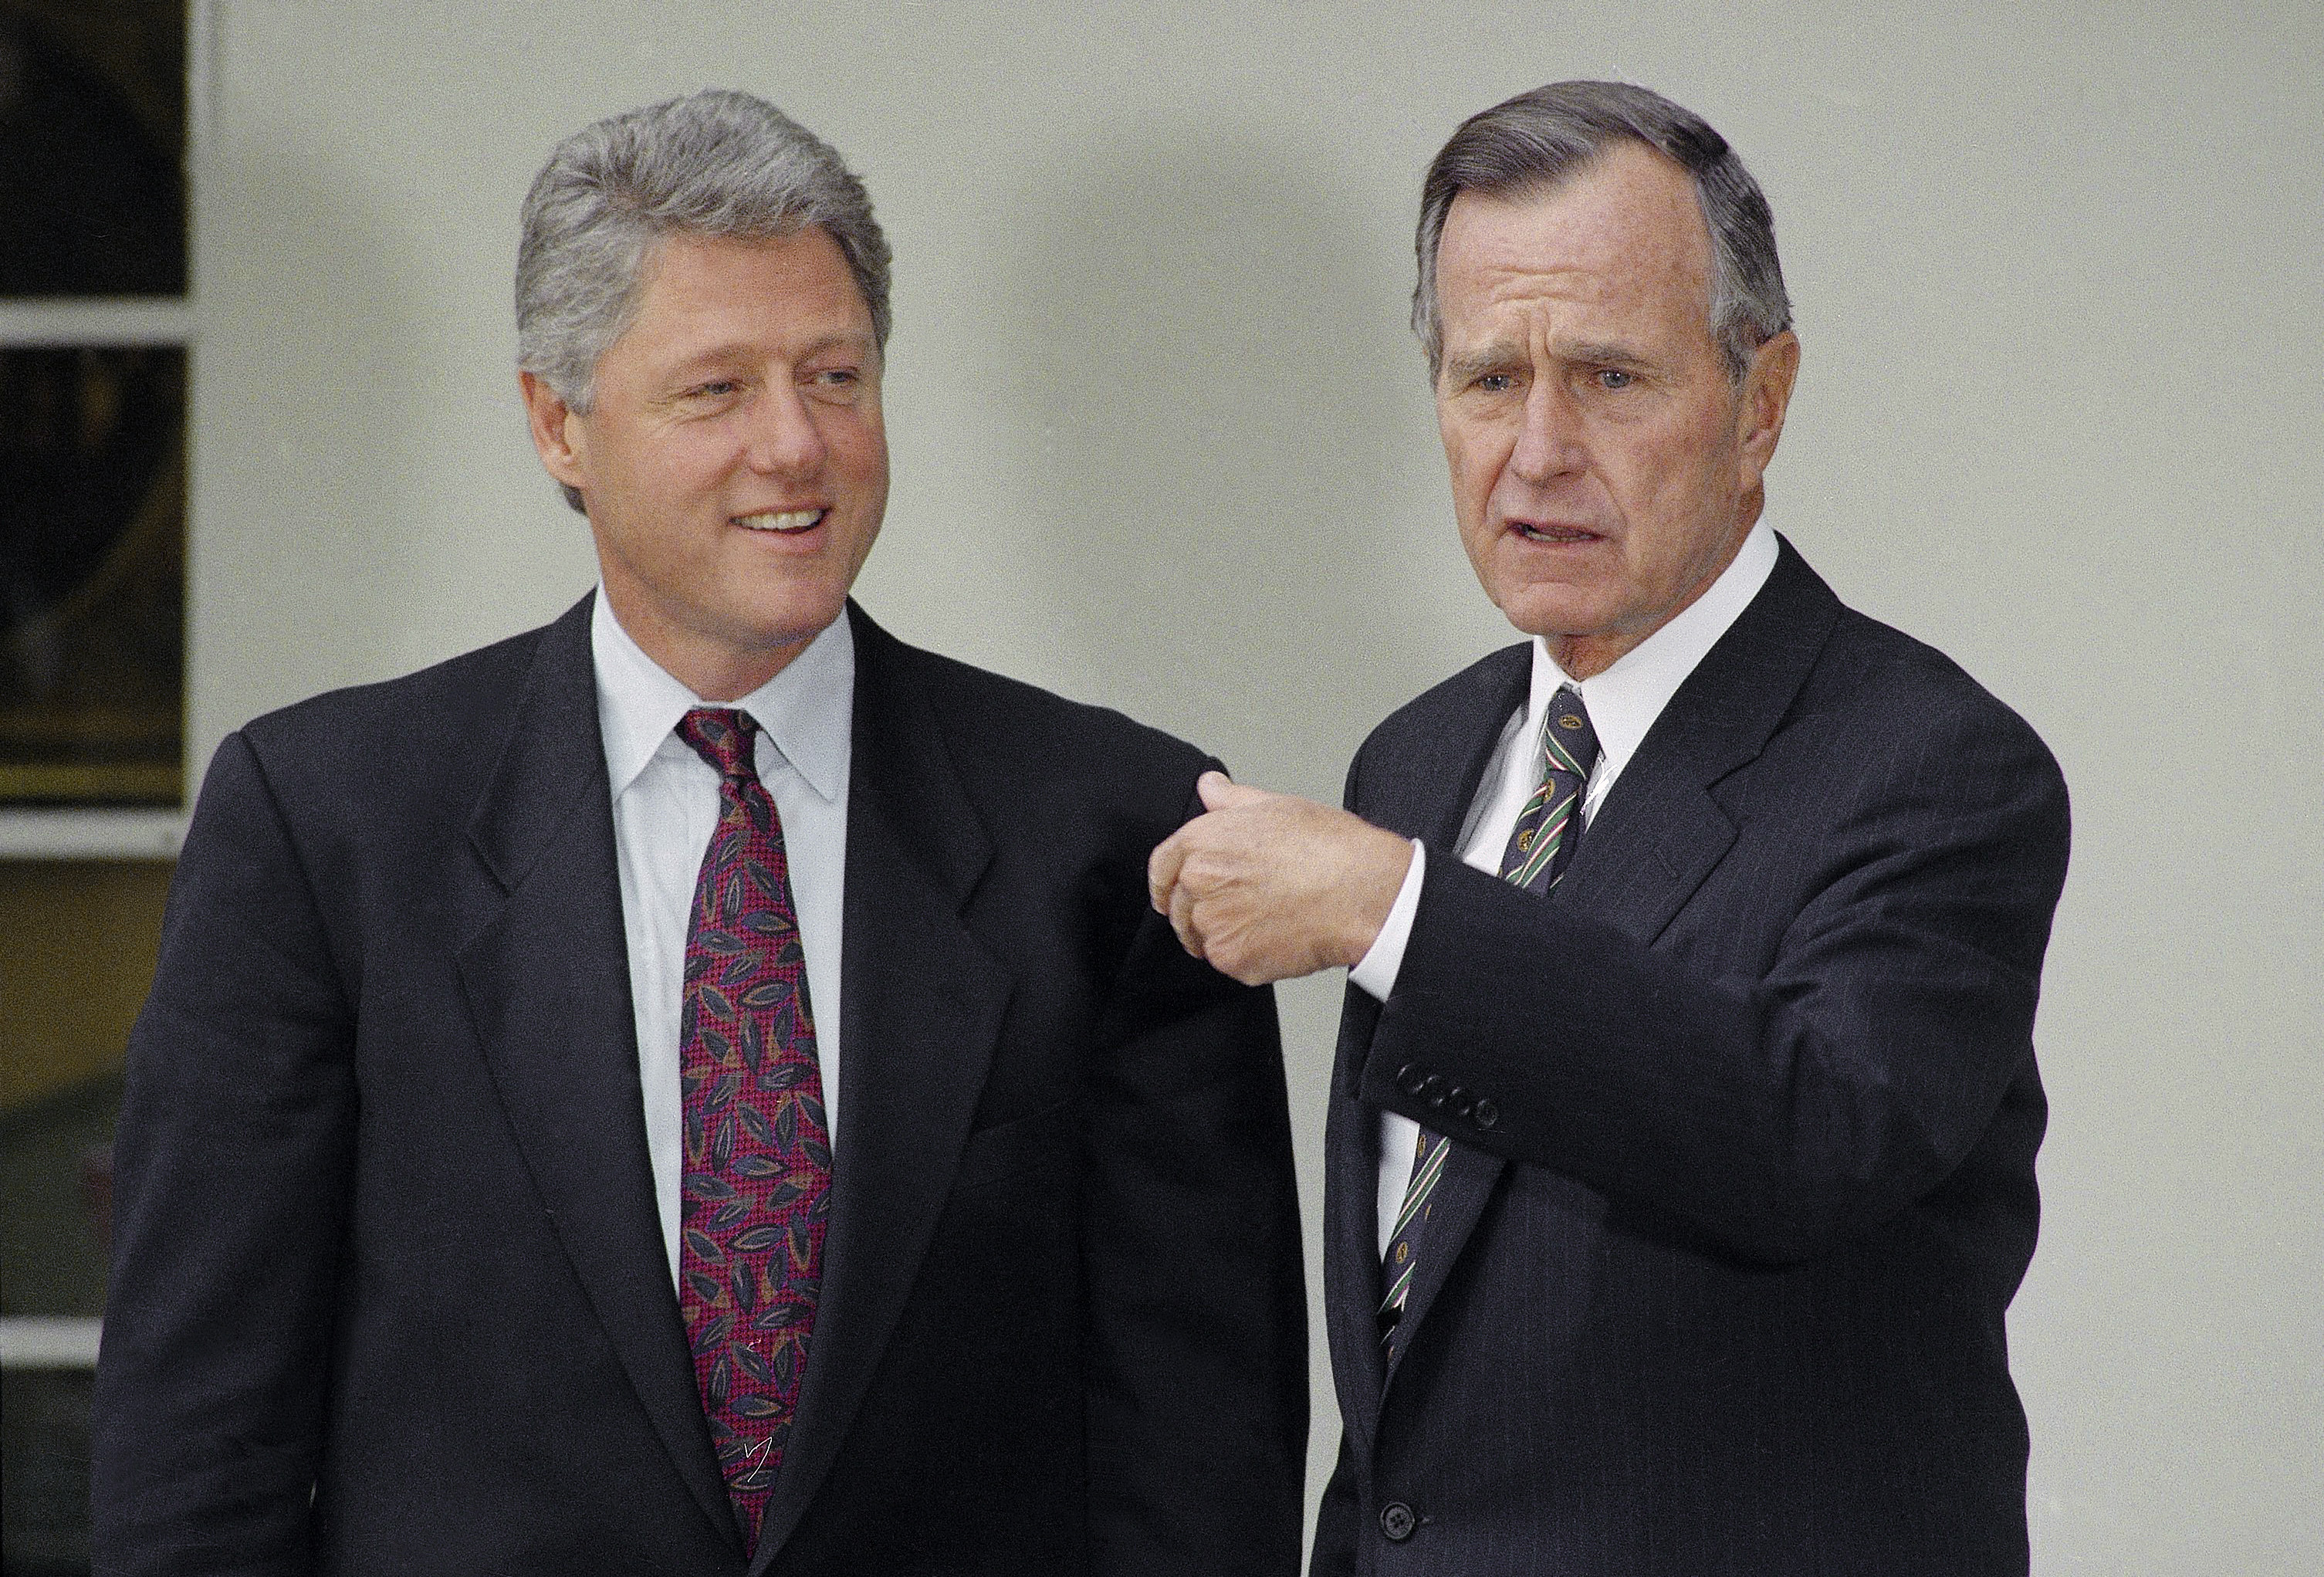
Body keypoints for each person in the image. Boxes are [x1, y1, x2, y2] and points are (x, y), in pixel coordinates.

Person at [93, 89, 1306, 1576]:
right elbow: (198, 1452)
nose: (795, 447)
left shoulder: (1113, 838)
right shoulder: (327, 827)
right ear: (558, 423)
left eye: (835, 376)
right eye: (717, 390)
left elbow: (1199, 1464)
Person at [1150, 80, 2070, 1575]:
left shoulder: (1935, 763)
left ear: (1758, 401)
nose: (1537, 450)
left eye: (1611, 378)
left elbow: (1806, 1130)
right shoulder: (1422, 752)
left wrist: (1398, 913)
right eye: (1486, 378)